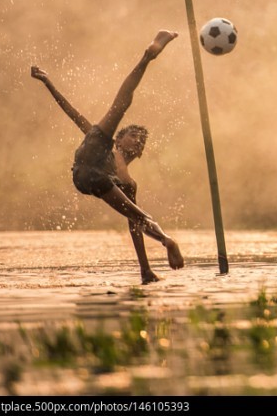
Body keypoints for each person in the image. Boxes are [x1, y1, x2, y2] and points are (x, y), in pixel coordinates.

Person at [31, 30, 184, 284]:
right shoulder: (108, 142)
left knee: (140, 216)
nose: (137, 141)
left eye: (141, 141)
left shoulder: (129, 182)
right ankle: (148, 55)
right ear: (120, 138)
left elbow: (134, 224)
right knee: (121, 105)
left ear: (142, 152)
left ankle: (164, 244)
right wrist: (49, 83)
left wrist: (144, 269)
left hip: (96, 181)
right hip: (90, 157)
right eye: (133, 135)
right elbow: (73, 113)